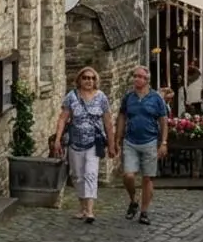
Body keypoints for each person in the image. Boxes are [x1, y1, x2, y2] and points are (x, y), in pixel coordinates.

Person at [54, 66, 114, 223]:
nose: (89, 81)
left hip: (93, 142)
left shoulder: (101, 98)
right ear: (79, 80)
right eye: (86, 78)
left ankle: (90, 210)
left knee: (91, 173)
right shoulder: (72, 97)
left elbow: (107, 122)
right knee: (77, 175)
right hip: (75, 142)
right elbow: (63, 118)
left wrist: (112, 143)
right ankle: (82, 207)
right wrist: (57, 140)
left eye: (92, 78)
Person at [111, 66, 169, 225]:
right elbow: (122, 117)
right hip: (130, 141)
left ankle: (144, 211)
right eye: (135, 76)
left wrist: (163, 142)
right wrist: (117, 138)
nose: (137, 79)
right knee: (128, 175)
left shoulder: (156, 99)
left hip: (149, 141)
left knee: (147, 178)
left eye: (140, 76)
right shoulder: (128, 98)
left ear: (147, 80)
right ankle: (133, 200)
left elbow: (163, 122)